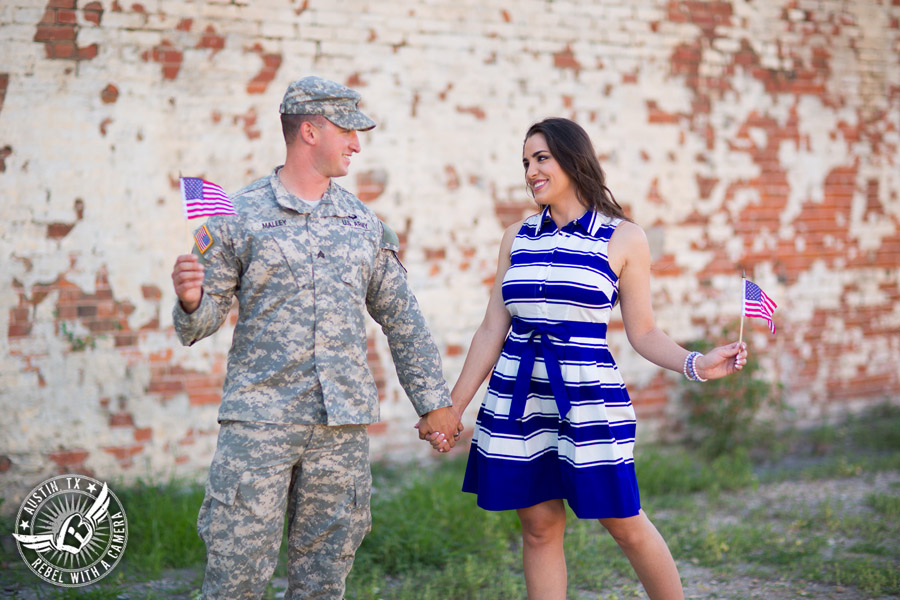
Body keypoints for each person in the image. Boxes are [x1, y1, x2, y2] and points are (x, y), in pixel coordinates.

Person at [420, 117, 748, 600]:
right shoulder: (516, 237)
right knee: (538, 527)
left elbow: (644, 331)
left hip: (587, 399)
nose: (531, 171)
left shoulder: (623, 237)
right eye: (526, 162)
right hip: (520, 396)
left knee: (624, 521)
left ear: (574, 160)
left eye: (541, 158)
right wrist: (454, 407)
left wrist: (695, 363)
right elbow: (494, 326)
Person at [171, 76, 462, 600]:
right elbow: (203, 321)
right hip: (259, 424)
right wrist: (192, 302)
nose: (356, 143)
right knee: (235, 577)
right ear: (310, 130)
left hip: (340, 430)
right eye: (348, 130)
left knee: (324, 582)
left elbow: (403, 319)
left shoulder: (362, 223)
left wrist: (434, 404)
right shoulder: (234, 216)